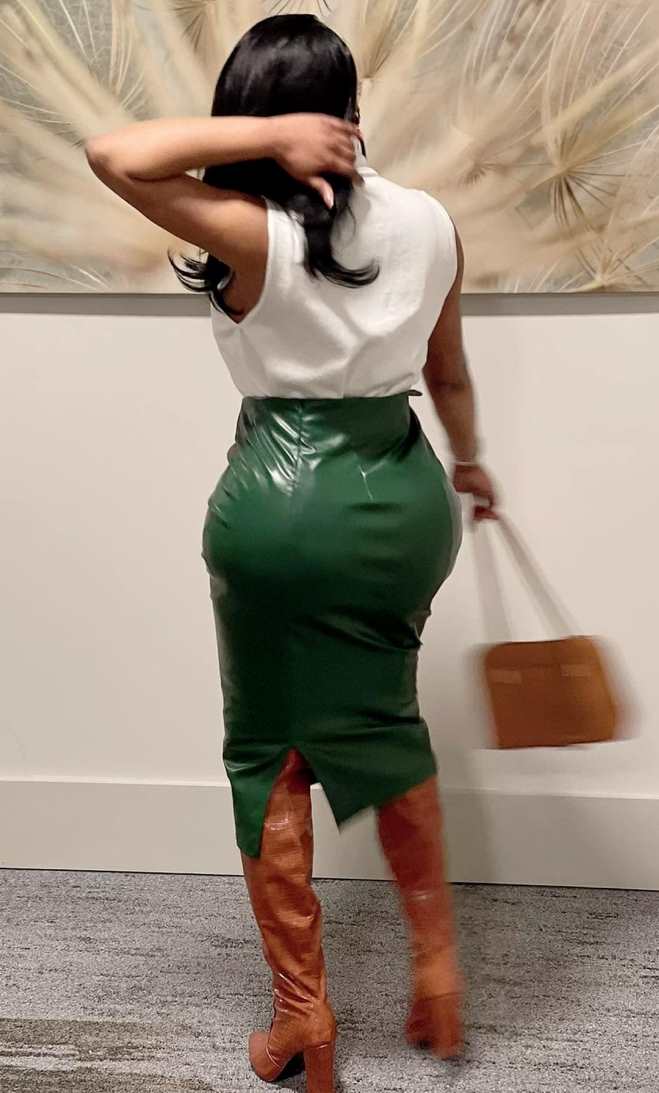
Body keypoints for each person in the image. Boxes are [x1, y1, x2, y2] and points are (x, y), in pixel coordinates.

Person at [85, 13, 498, 1092]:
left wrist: (266, 138)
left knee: (267, 751)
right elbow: (447, 374)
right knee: (384, 717)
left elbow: (112, 153)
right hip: (405, 496)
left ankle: (302, 1019)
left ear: (253, 110)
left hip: (283, 506)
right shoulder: (429, 220)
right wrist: (470, 465)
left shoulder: (247, 228)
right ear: (348, 105)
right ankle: (436, 970)